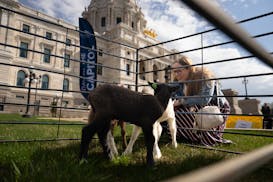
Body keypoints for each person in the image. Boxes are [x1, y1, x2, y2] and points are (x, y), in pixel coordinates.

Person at [169, 55, 231, 146]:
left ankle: (205, 137)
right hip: (194, 109)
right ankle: (192, 136)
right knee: (175, 112)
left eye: (179, 71)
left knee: (190, 109)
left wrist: (181, 101)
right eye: (174, 72)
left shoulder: (204, 75)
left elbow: (204, 99)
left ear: (189, 68)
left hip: (215, 110)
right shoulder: (177, 83)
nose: (176, 74)